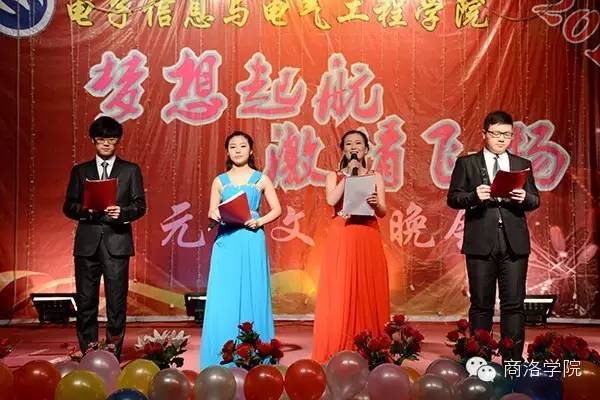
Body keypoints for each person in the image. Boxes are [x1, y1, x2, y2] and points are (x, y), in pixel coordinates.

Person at [447, 110, 540, 361]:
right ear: (484, 134)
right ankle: (480, 361)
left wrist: (525, 198)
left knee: (514, 305)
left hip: (514, 244)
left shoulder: (521, 164)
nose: (501, 139)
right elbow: (453, 198)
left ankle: (512, 361)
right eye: (496, 134)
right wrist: (474, 196)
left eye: (507, 135)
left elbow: (535, 200)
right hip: (480, 242)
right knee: (481, 305)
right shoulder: (467, 163)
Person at [63, 116, 146, 360]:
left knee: (116, 304)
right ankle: (89, 352)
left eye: (112, 139)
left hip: (117, 243)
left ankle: (112, 353)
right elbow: (68, 206)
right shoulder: (81, 171)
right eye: (101, 139)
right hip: (87, 244)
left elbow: (140, 206)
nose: (107, 144)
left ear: (118, 141)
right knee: (86, 301)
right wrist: (86, 210)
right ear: (93, 141)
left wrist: (123, 212)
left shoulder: (130, 170)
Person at [200, 131, 282, 368]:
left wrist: (259, 221)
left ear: (251, 150)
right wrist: (214, 215)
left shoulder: (260, 179)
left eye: (243, 146)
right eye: (233, 146)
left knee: (253, 290)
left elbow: (277, 209)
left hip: (251, 237)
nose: (238, 150)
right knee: (225, 294)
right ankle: (223, 353)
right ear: (227, 152)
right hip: (227, 240)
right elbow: (211, 212)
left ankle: (257, 352)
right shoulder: (220, 181)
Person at [312, 130, 390, 363]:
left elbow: (383, 211)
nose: (354, 147)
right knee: (342, 287)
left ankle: (371, 346)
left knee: (367, 287)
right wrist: (349, 177)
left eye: (358, 143)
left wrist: (376, 204)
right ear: (343, 150)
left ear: (366, 149)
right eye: (348, 144)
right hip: (343, 233)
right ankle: (340, 344)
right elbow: (331, 200)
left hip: (367, 232)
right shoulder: (333, 175)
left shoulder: (375, 176)